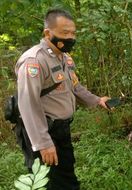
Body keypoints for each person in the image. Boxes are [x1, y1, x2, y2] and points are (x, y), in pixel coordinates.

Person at [15, 9, 110, 189]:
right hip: (42, 131)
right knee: (48, 181)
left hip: (61, 130)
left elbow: (74, 86)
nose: (70, 37)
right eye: (65, 33)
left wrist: (97, 100)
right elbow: (28, 105)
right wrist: (43, 143)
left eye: (73, 33)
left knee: (65, 174)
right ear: (47, 33)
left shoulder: (64, 58)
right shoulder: (33, 61)